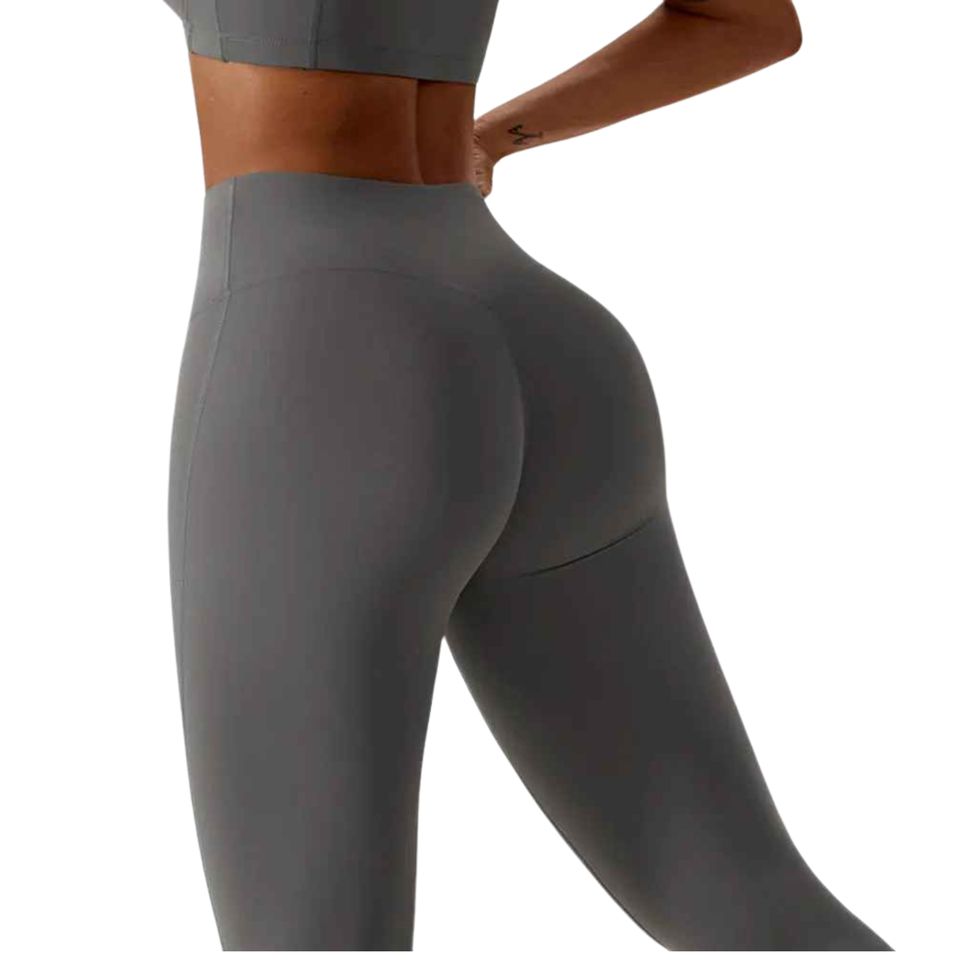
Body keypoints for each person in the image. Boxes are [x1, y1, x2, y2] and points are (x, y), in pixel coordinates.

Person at [160, 0, 891, 950]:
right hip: (542, 341)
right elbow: (748, 20)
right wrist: (494, 137)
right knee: (745, 899)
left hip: (324, 345)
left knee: (308, 936)